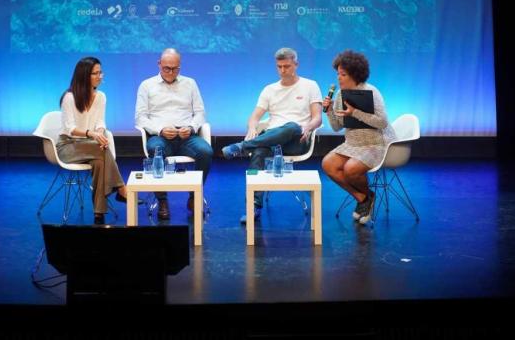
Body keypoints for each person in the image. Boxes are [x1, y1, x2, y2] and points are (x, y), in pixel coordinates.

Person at [222, 47, 322, 223]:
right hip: (272, 139)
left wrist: (309, 126)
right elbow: (254, 117)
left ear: (296, 65)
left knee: (292, 127)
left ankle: (241, 147)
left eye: (287, 66)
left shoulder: (310, 85)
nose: (283, 70)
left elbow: (318, 118)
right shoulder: (269, 89)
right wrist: (252, 128)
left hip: (297, 139)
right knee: (259, 151)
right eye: (279, 67)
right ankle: (254, 206)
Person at [135, 48, 213, 220]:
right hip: (160, 136)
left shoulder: (190, 83)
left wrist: (191, 127)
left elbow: (200, 113)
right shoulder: (146, 85)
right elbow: (140, 118)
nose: (170, 72)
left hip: (187, 136)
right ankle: (162, 200)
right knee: (155, 149)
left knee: (206, 151)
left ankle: (194, 195)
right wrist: (160, 130)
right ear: (159, 64)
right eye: (166, 68)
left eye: (175, 69)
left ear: (180, 66)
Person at [321, 50, 394, 225]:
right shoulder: (340, 94)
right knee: (328, 164)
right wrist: (329, 111)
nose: (339, 78)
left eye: (343, 74)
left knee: (350, 169)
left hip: (376, 143)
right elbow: (337, 127)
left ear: (355, 75)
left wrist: (355, 112)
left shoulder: (371, 91)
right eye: (338, 74)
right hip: (353, 143)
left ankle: (365, 200)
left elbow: (382, 122)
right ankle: (364, 198)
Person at [57, 57, 127, 225]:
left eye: (100, 72)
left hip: (91, 147)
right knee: (100, 149)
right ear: (84, 75)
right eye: (95, 73)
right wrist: (92, 134)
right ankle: (121, 189)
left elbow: (100, 122)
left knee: (99, 162)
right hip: (68, 145)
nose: (100, 76)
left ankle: (99, 213)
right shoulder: (69, 97)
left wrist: (100, 133)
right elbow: (70, 128)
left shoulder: (101, 96)